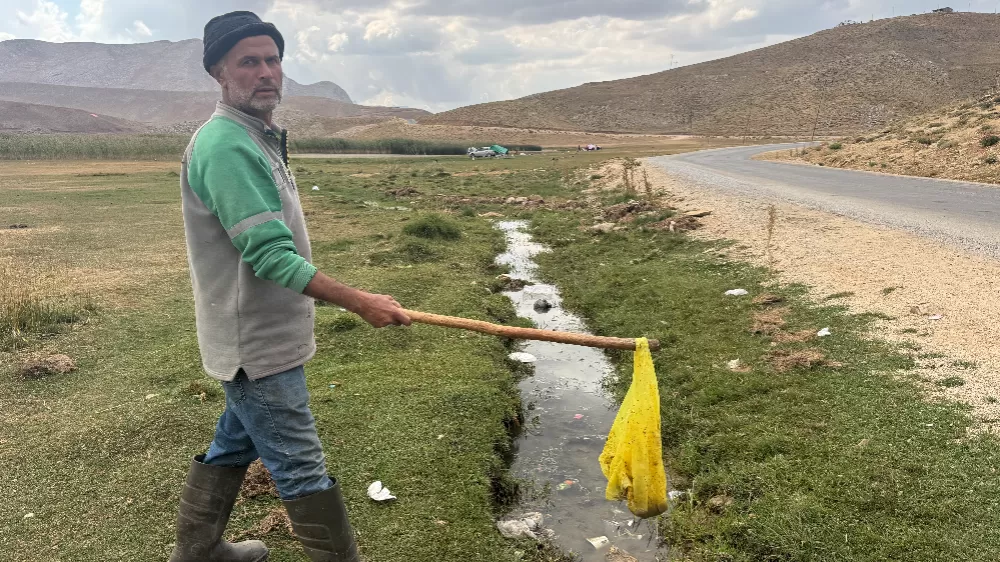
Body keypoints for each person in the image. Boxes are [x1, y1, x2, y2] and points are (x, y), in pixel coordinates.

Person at [169, 11, 411, 562]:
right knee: (301, 466)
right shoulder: (226, 145)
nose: (266, 73)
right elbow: (272, 256)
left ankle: (200, 553)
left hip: (263, 337)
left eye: (273, 59)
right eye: (248, 62)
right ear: (219, 73)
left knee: (236, 441)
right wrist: (360, 301)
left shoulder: (254, 135)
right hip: (256, 344)